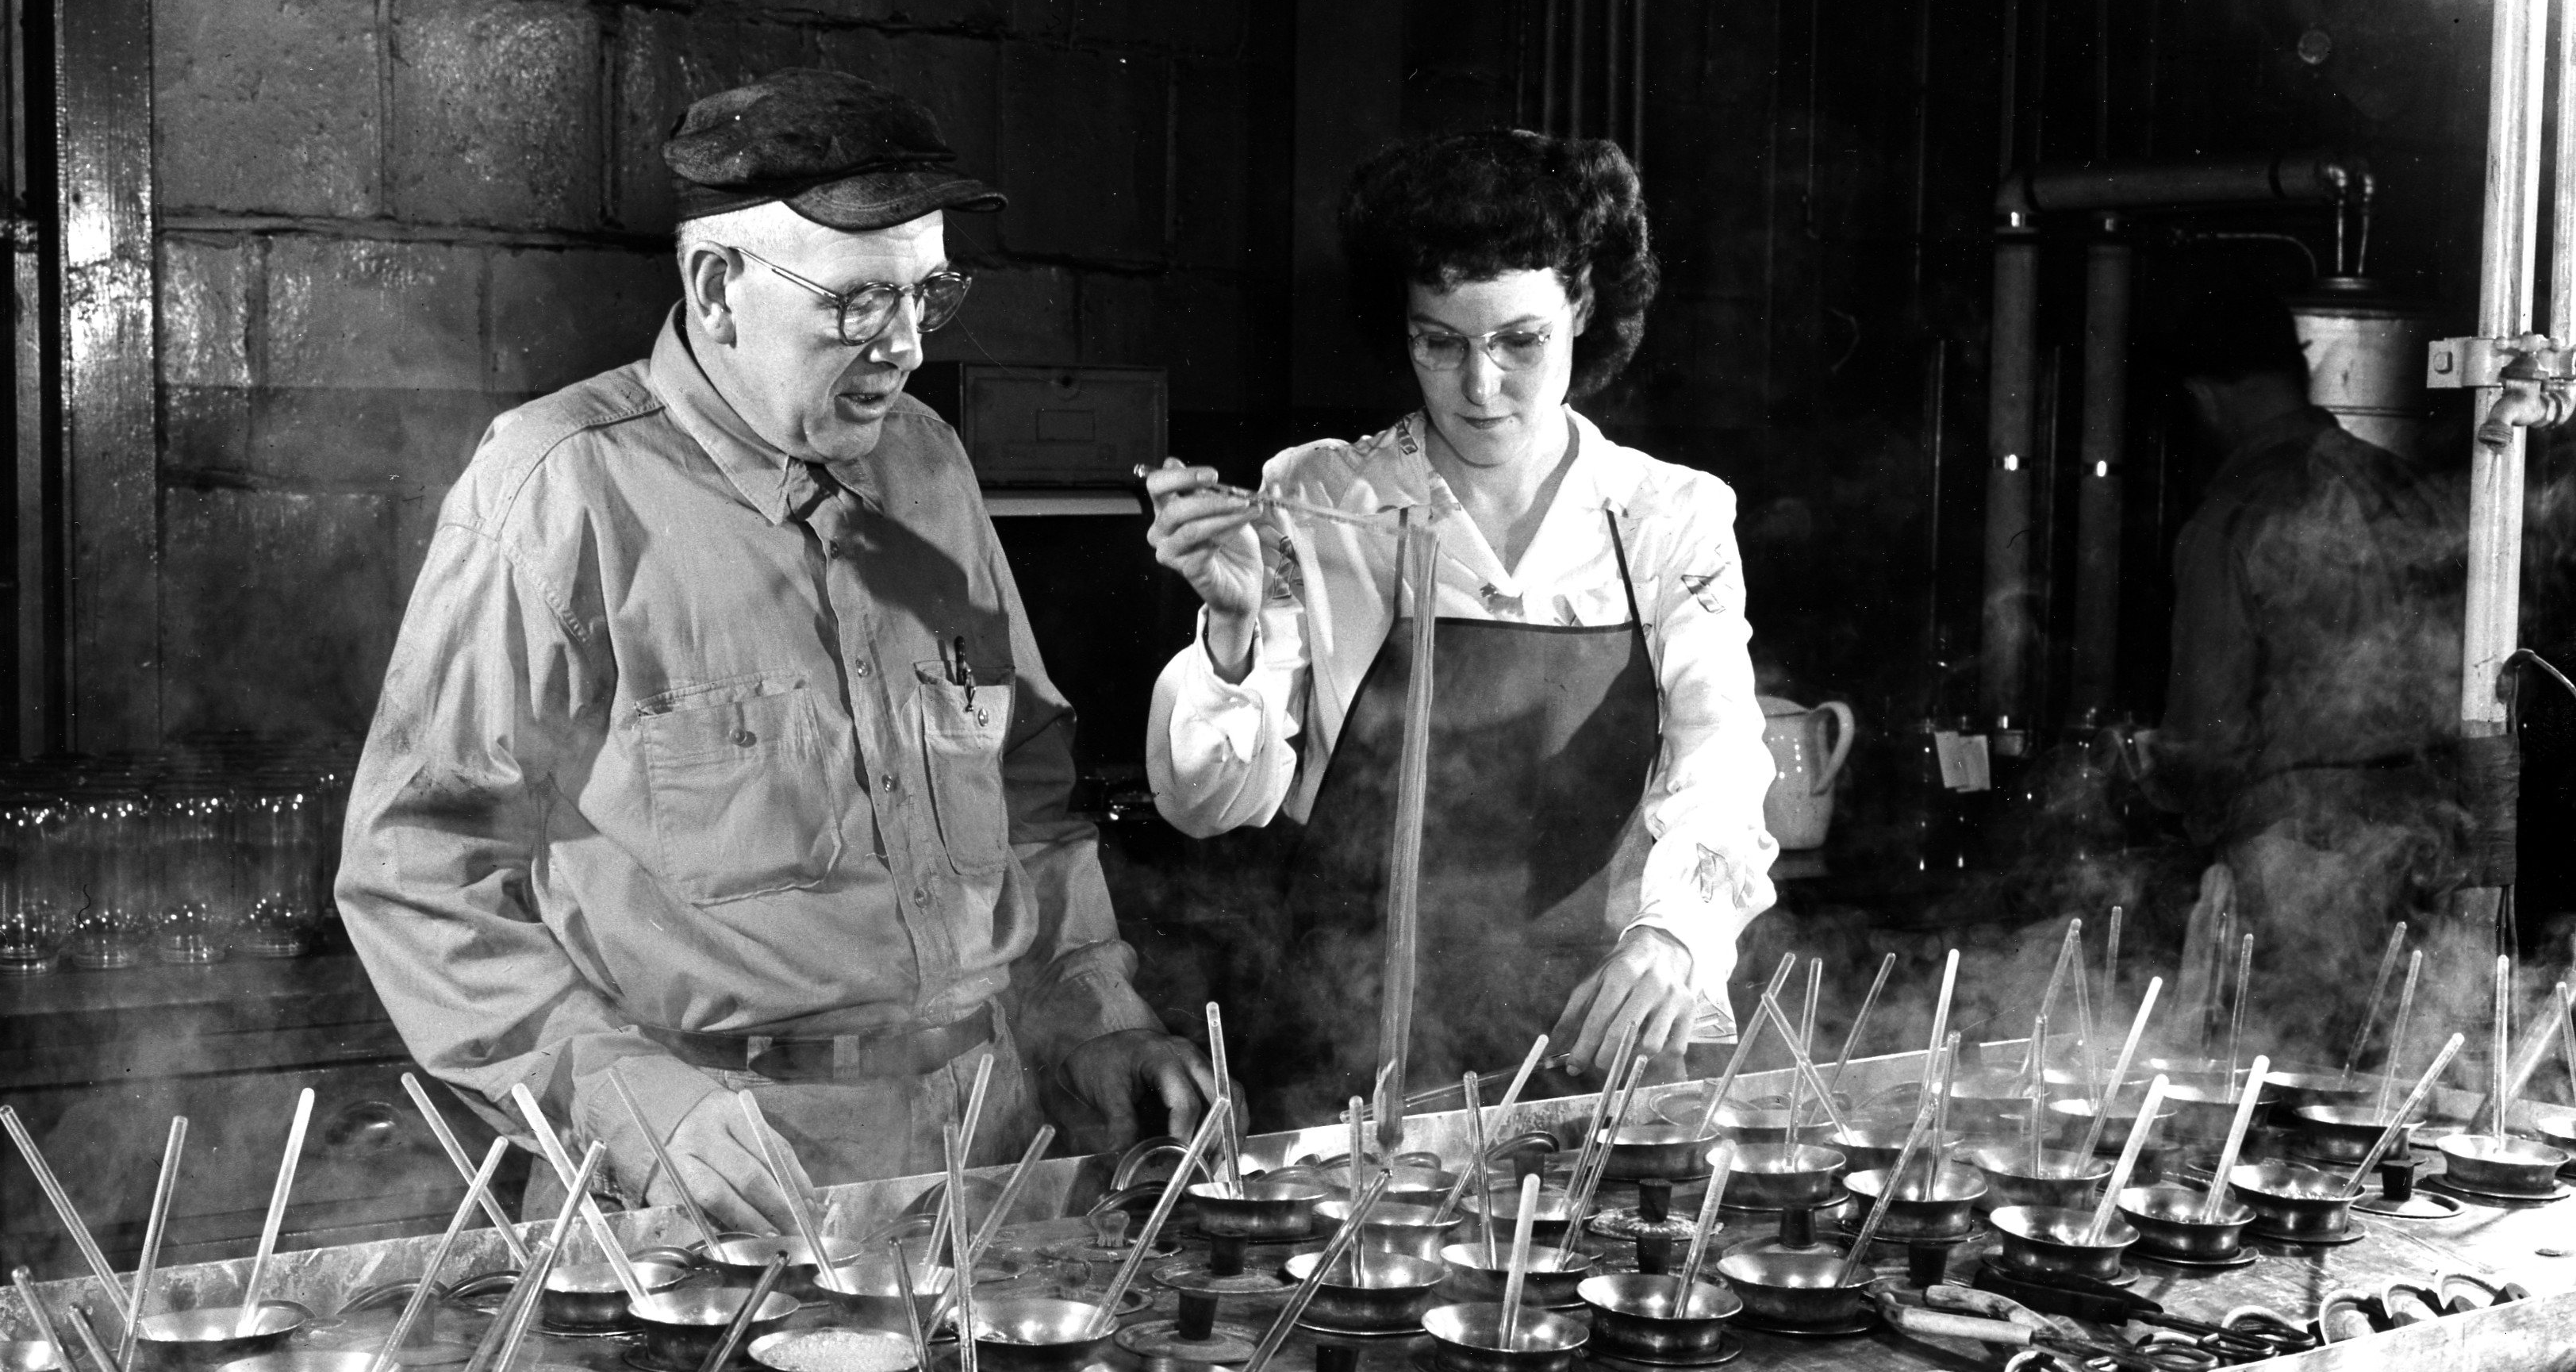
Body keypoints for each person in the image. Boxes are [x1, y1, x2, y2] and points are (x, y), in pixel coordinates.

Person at [338, 68, 1209, 1232]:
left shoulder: (925, 467)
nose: (902, 345)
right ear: (717, 288)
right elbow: (418, 865)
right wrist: (641, 1110)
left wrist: (1097, 1017)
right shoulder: (563, 489)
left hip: (982, 1156)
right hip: (712, 1186)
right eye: (856, 303)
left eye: (926, 294)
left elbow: (1024, 785)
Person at [1141, 129, 1776, 1123]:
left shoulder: (1665, 515)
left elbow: (1721, 758)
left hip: (1593, 1021)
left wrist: (1676, 937)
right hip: (1350, 1025)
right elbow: (1211, 803)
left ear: (1579, 306)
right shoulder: (1320, 498)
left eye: (1518, 341)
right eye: (1438, 341)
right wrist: (1228, 631)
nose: (1479, 388)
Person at [2134, 273, 2463, 1050]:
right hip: (2425, 840)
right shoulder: (2396, 484)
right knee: (2390, 1083)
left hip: (2295, 861)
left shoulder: (2236, 513)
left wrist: (2158, 779)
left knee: (2285, 1095)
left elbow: (2205, 734)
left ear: (2205, 395)